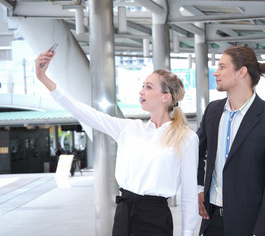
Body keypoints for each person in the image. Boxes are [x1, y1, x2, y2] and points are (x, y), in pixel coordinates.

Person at [35, 48, 199, 236]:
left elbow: (188, 194)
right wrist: (43, 78)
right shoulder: (129, 128)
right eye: (142, 86)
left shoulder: (186, 138)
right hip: (124, 213)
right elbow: (84, 112)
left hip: (156, 218)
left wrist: (187, 233)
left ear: (166, 97)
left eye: (148, 87)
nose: (141, 91)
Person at [197, 46, 265, 236]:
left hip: (251, 226)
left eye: (223, 67)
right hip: (211, 222)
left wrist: (262, 231)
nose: (216, 72)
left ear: (242, 72)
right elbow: (195, 152)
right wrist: (199, 188)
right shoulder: (213, 111)